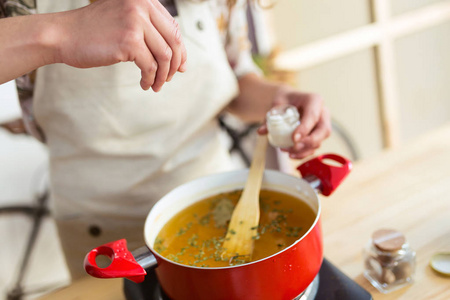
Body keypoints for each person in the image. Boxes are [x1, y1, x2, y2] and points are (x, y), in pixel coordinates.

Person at [1, 0, 331, 279]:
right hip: (101, 224)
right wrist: (62, 31)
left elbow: (236, 79)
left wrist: (280, 97)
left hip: (216, 196)